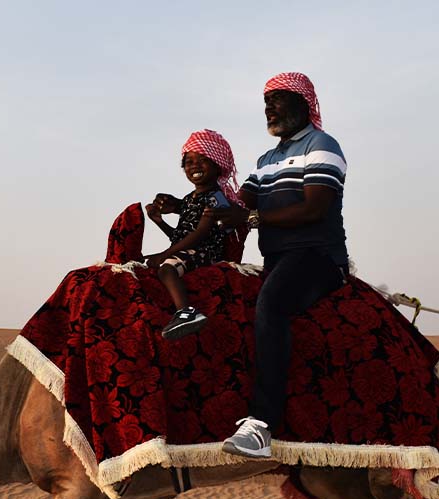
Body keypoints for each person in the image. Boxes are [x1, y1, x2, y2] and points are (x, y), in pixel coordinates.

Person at [217, 72, 349, 458]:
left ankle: (261, 425)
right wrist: (189, 203)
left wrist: (251, 220)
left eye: (278, 100)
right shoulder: (265, 160)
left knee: (271, 305)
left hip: (316, 256)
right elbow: (239, 205)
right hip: (275, 259)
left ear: (304, 104)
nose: (269, 108)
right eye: (266, 102)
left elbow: (314, 207)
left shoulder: (321, 145)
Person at [144, 130, 246, 340]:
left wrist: (164, 255)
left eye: (202, 160)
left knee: (167, 269)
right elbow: (181, 236)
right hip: (190, 249)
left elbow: (199, 235)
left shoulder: (216, 199)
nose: (194, 166)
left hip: (205, 252)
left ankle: (186, 312)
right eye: (188, 162)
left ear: (218, 165)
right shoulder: (189, 198)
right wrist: (160, 222)